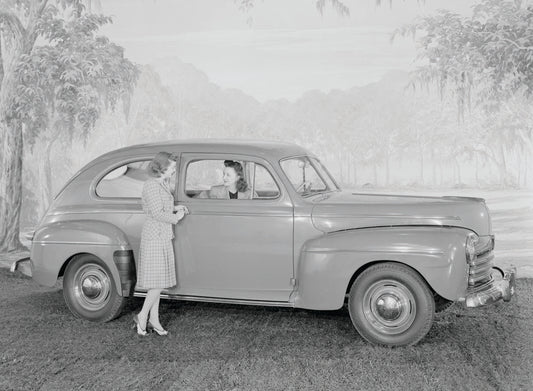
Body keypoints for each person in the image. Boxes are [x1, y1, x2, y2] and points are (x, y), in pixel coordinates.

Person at [133, 152, 189, 336]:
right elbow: (156, 213)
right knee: (157, 283)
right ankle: (142, 316)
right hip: (154, 236)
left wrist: (175, 207)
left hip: (162, 236)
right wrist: (177, 217)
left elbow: (160, 206)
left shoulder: (161, 184)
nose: (174, 171)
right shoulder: (151, 185)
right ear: (162, 167)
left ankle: (154, 320)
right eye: (172, 167)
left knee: (157, 283)